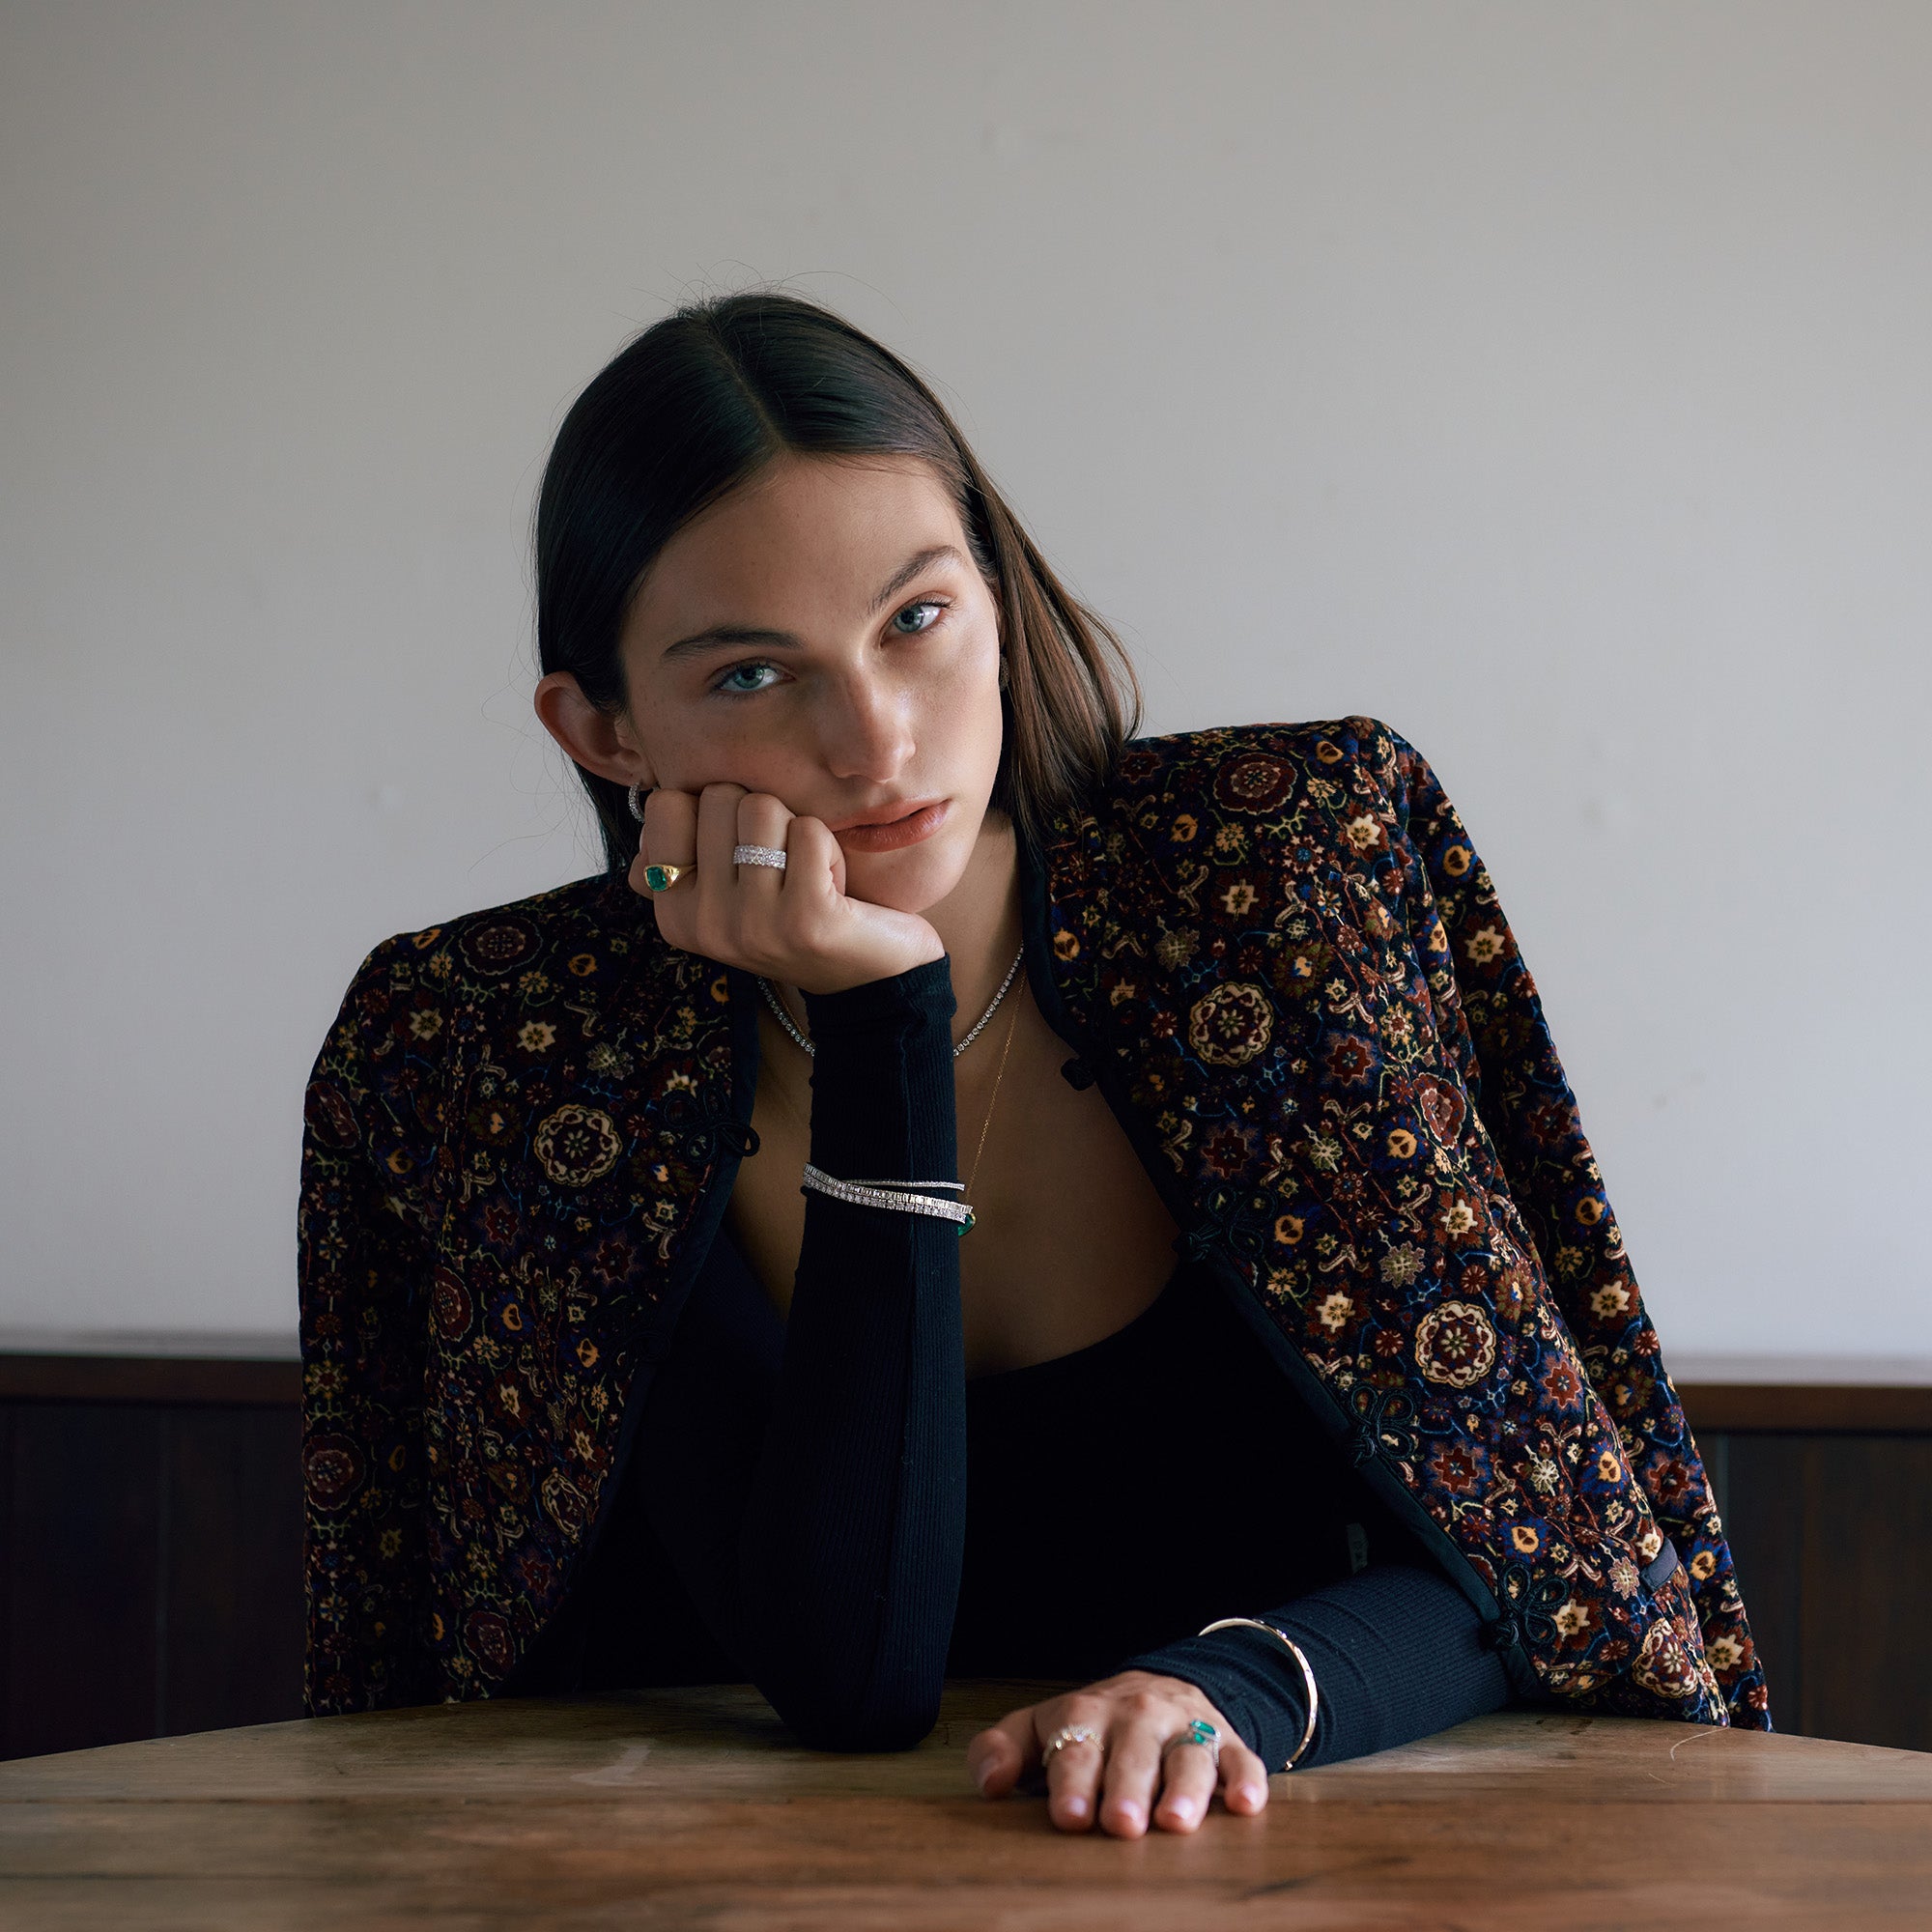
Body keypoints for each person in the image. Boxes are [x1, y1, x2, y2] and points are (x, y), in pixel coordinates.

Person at [299, 293, 1768, 1840]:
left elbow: (1538, 1548)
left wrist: (1238, 1684)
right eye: (750, 675)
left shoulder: (1276, 873)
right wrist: (883, 1024)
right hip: (712, 1893)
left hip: (1281, 1867)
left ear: (996, 598)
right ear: (601, 731)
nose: (875, 742)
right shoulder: (493, 1048)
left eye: (915, 622)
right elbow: (853, 1673)